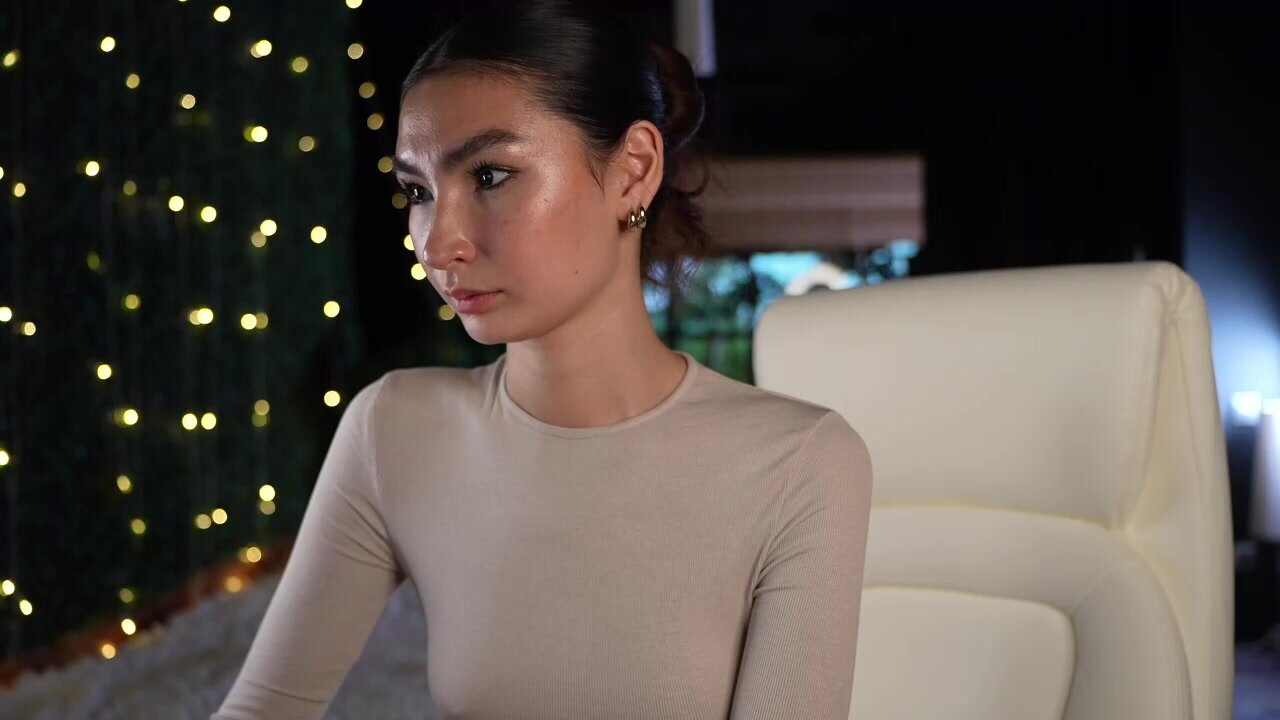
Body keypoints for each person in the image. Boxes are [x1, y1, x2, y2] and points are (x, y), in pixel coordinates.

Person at [210, 1, 872, 718]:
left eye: (491, 176)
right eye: (419, 192)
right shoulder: (394, 429)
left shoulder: (797, 463)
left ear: (634, 171)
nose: (438, 244)